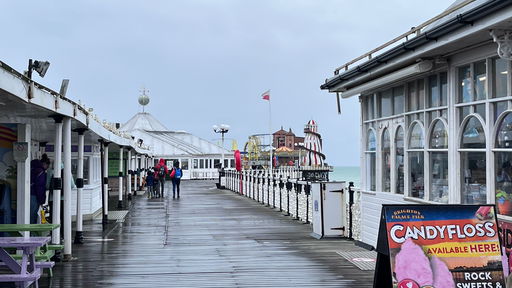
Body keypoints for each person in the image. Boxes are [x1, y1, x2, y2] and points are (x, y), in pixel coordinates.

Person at [30, 154, 50, 224]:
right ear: (44, 164)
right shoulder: (41, 172)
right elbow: (40, 187)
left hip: (27, 193)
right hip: (34, 195)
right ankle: (31, 233)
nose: (47, 168)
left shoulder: (31, 167)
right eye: (47, 166)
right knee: (32, 216)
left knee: (28, 214)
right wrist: (42, 200)